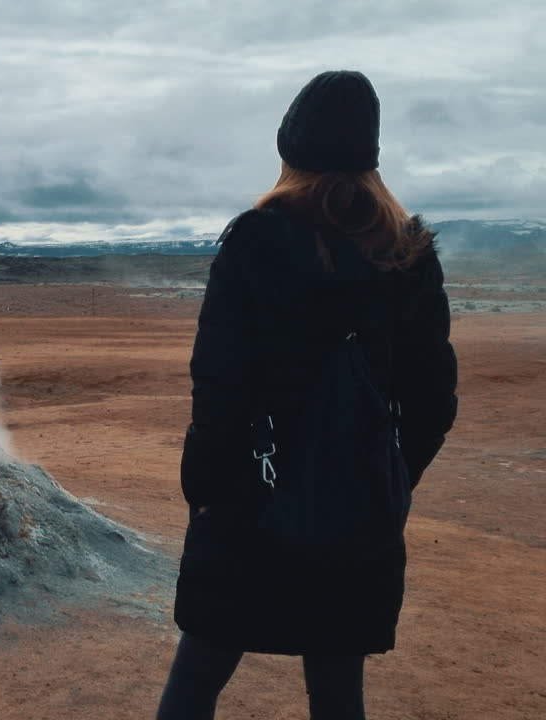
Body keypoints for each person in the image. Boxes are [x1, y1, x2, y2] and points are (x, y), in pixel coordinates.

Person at [155, 71, 459, 719]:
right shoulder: (406, 254)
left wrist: (207, 496)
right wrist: (385, 477)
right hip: (358, 515)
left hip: (248, 509)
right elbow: (434, 399)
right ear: (367, 157)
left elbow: (219, 391)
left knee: (195, 682)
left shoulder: (255, 242)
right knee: (338, 691)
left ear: (290, 152)